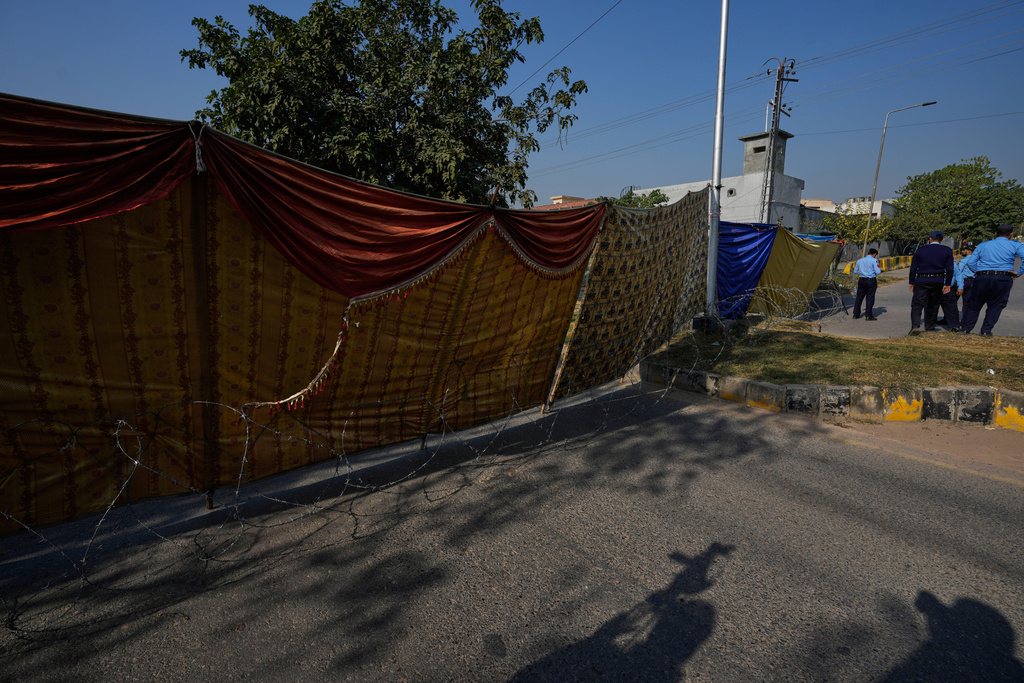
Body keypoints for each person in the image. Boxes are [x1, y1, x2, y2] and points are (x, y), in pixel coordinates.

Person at [959, 224, 1024, 336]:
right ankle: (985, 330)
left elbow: (971, 262)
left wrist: (978, 272)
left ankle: (966, 329)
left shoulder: (983, 245)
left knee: (974, 303)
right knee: (996, 304)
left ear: (995, 233)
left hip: (982, 277)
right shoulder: (1016, 245)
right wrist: (1018, 272)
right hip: (1003, 277)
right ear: (1011, 234)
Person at [907, 230, 955, 335]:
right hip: (937, 280)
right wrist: (947, 283)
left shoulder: (921, 250)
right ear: (942, 239)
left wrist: (911, 281)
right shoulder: (947, 251)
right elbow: (950, 268)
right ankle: (930, 327)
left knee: (917, 304)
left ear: (930, 239)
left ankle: (915, 325)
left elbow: (913, 268)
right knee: (933, 304)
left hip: (921, 280)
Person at [852, 248, 881, 320]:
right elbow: (878, 272)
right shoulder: (874, 260)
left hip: (861, 280)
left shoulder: (860, 260)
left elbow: (855, 271)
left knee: (859, 297)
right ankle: (868, 315)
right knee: (870, 298)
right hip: (871, 281)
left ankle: (856, 314)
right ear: (874, 254)